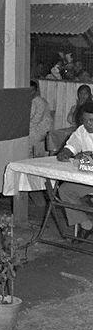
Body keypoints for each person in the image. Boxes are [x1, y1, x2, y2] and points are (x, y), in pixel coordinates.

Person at [57, 101, 93, 236]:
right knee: (65, 190)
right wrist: (66, 152)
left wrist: (87, 155)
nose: (88, 124)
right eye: (85, 120)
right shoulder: (81, 131)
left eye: (92, 120)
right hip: (88, 179)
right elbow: (73, 145)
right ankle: (86, 225)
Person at [29, 80, 52, 157]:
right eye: (28, 90)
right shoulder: (29, 101)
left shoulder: (40, 102)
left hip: (40, 129)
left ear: (36, 91)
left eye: (32, 90)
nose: (30, 93)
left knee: (27, 138)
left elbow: (36, 119)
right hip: (32, 127)